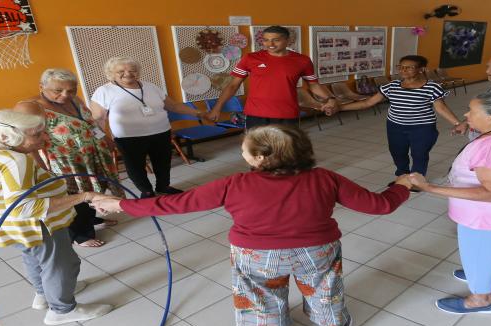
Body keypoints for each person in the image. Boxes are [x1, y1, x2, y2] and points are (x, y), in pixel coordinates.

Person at [92, 125, 413, 326]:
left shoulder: (235, 183)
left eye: (245, 148)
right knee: (324, 287)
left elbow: (176, 205)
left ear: (258, 157)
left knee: (258, 294)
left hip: (257, 255)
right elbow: (379, 205)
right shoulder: (325, 177)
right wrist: (402, 186)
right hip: (317, 250)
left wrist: (121, 205)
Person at [0, 110, 113, 325]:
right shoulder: (14, 161)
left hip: (8, 227)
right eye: (36, 135)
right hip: (37, 225)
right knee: (63, 264)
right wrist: (85, 196)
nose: (45, 138)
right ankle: (62, 310)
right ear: (6, 138)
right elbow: (23, 207)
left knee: (33, 257)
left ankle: (44, 294)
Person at [408, 91, 491, 314]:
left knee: (480, 252)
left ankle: (481, 299)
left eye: (472, 111)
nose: (466, 114)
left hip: (487, 215)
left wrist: (429, 187)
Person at [18, 68, 125, 248]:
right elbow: (26, 139)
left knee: (93, 188)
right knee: (74, 195)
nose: (66, 95)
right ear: (41, 87)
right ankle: (80, 234)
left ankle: (92, 219)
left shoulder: (75, 99)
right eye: (58, 91)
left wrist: (106, 139)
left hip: (92, 155)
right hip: (63, 161)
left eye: (71, 90)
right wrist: (40, 165)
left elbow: (89, 123)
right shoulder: (30, 106)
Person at [89, 56, 205, 199]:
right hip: (129, 138)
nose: (128, 73)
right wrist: (102, 139)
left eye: (132, 70)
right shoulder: (104, 91)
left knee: (162, 164)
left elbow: (174, 106)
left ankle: (163, 187)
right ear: (110, 73)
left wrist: (199, 113)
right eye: (121, 71)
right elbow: (97, 120)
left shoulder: (151, 87)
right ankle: (147, 191)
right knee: (136, 168)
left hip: (161, 132)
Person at [340, 55, 463, 186]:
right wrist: (339, 107)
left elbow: (441, 108)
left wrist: (457, 123)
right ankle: (402, 176)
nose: (403, 70)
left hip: (422, 128)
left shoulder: (431, 87)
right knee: (398, 153)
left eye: (409, 68)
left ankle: (416, 181)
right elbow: (368, 103)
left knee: (419, 154)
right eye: (401, 67)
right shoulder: (392, 86)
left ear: (421, 69)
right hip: (395, 127)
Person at [207, 25, 339, 129]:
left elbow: (314, 85)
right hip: (256, 114)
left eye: (276, 40)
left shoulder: (302, 61)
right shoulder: (251, 58)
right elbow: (232, 85)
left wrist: (330, 98)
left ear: (288, 40)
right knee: (257, 153)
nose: (270, 44)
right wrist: (217, 108)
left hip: (287, 114)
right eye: (266, 40)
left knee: (286, 152)